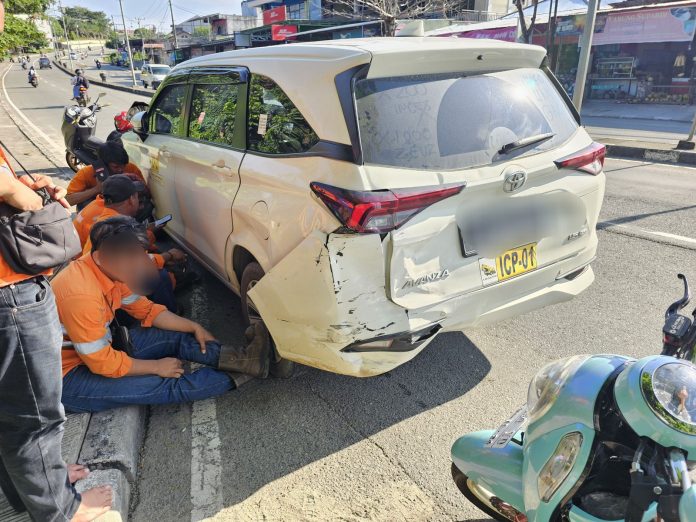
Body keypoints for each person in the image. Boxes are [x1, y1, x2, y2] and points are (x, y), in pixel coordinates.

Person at [53, 216, 271, 413]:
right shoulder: (80, 294)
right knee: (165, 384)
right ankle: (244, 372)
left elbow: (147, 310)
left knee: (174, 337)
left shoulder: (110, 270)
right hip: (66, 379)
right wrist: (157, 366)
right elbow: (102, 363)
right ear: (101, 257)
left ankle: (246, 359)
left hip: (94, 352)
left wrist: (195, 327)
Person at [0, 146, 112, 521]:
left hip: (10, 287)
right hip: (10, 291)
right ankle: (62, 510)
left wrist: (23, 187)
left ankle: (36, 489)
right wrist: (29, 198)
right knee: (35, 418)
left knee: (11, 413)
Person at [76, 175, 185, 312]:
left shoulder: (105, 221)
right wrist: (169, 255)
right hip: (107, 299)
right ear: (132, 199)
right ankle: (168, 313)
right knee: (160, 277)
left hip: (90, 286)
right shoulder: (120, 230)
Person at [66, 141, 144, 208]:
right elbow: (68, 200)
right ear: (103, 164)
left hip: (123, 210)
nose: (121, 169)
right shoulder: (86, 172)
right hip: (97, 211)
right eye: (115, 167)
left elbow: (147, 193)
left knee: (146, 205)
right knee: (85, 204)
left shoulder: (130, 168)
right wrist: (97, 189)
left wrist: (130, 184)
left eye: (123, 166)